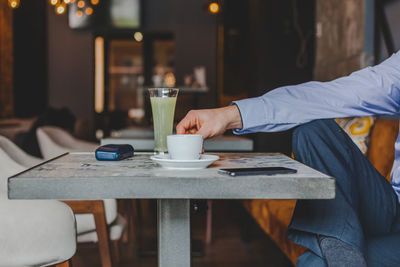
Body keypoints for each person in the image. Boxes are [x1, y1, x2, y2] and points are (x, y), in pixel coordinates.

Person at [176, 51, 400, 267]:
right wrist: (227, 116)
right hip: (391, 206)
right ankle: (341, 249)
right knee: (314, 130)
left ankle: (340, 255)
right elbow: (326, 97)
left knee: (315, 262)